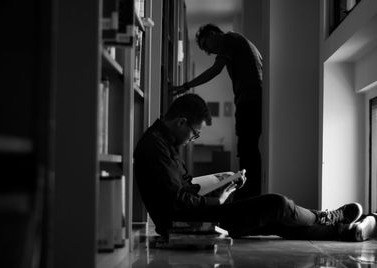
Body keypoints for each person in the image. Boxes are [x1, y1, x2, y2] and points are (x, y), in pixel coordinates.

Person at [134, 93, 376, 241]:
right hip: (186, 223)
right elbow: (176, 202)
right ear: (181, 122)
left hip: (194, 213)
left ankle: (345, 232)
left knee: (274, 221)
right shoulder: (155, 148)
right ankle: (327, 217)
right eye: (194, 134)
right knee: (276, 204)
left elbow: (184, 186)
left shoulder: (163, 142)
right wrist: (216, 202)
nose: (191, 139)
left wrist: (219, 182)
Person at [172, 24, 263, 199]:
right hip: (252, 99)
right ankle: (250, 194)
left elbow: (215, 70)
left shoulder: (229, 39)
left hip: (248, 101)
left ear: (213, 34)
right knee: (249, 148)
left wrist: (187, 86)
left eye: (207, 46)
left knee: (246, 149)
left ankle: (247, 196)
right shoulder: (239, 41)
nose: (210, 52)